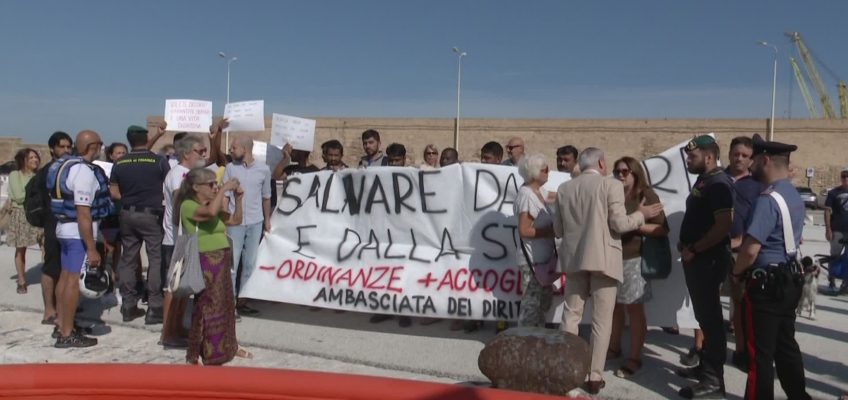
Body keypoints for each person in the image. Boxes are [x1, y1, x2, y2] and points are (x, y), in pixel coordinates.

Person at [553, 147, 661, 395]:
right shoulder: (610, 186)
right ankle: (594, 374)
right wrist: (641, 215)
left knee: (571, 316)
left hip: (574, 259)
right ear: (602, 163)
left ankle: (566, 367)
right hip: (603, 259)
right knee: (602, 321)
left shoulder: (564, 189)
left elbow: (558, 230)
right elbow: (620, 224)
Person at [731, 134, 811, 400]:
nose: (750, 165)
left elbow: (751, 249)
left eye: (753, 159)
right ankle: (799, 396)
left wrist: (737, 274)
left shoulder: (767, 200)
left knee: (759, 355)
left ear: (765, 160)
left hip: (766, 285)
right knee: (786, 346)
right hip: (789, 279)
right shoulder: (792, 195)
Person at [676, 135, 734, 399]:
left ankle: (713, 382)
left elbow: (723, 227)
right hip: (697, 259)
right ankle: (705, 369)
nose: (689, 160)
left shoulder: (719, 184)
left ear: (708, 157)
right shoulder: (706, 180)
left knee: (710, 320)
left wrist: (695, 248)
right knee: (704, 317)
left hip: (707, 261)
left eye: (693, 156)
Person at [175, 168, 252, 364]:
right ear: (195, 187)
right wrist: (225, 188)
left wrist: (239, 200)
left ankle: (229, 346)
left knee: (226, 305)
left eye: (215, 183)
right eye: (211, 184)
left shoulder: (213, 204)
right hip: (205, 260)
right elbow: (209, 213)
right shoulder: (188, 205)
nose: (215, 187)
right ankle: (196, 353)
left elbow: (235, 220)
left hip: (222, 259)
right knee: (206, 306)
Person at [607, 156, 668, 379]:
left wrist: (635, 223)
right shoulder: (612, 194)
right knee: (613, 307)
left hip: (634, 259)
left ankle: (634, 358)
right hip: (611, 258)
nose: (620, 174)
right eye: (617, 171)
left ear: (635, 173)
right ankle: (614, 348)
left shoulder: (646, 195)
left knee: (634, 309)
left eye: (625, 171)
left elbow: (663, 229)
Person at [50, 130, 113, 347]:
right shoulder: (84, 172)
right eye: (100, 145)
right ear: (92, 146)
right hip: (77, 235)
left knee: (66, 278)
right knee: (73, 283)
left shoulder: (63, 166)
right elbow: (83, 213)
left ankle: (62, 324)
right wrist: (91, 248)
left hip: (63, 230)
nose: (102, 148)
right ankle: (67, 334)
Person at [110, 122, 170, 325]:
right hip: (152, 215)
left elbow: (115, 193)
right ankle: (154, 307)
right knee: (155, 259)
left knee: (128, 259)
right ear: (146, 139)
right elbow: (169, 188)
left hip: (127, 214)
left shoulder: (120, 163)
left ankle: (128, 305)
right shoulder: (159, 161)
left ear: (129, 141)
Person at [160, 135, 211, 349]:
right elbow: (181, 204)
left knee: (182, 289)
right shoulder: (178, 175)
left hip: (186, 239)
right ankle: (168, 332)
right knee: (173, 289)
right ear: (186, 153)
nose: (204, 154)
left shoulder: (189, 174)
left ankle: (178, 327)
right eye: (200, 151)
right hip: (176, 239)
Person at [724, 136, 762, 372]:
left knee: (739, 304)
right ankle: (704, 347)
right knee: (705, 302)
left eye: (744, 156)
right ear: (729, 154)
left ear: (751, 160)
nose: (739, 158)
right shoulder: (716, 179)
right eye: (736, 153)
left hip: (739, 252)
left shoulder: (757, 185)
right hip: (712, 249)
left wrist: (743, 239)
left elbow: (759, 219)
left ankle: (739, 350)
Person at [224, 136, 272, 317]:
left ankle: (243, 301)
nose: (230, 150)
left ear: (245, 149)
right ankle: (229, 303)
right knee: (232, 264)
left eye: (233, 147)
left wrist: (267, 220)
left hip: (255, 222)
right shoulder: (230, 168)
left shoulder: (264, 169)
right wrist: (224, 218)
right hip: (234, 223)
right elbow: (225, 196)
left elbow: (266, 197)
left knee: (250, 264)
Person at [35, 132, 73, 325]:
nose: (66, 150)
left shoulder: (68, 168)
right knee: (51, 268)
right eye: (62, 147)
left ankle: (64, 305)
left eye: (68, 147)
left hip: (67, 225)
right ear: (52, 149)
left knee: (67, 269)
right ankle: (49, 310)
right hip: (52, 224)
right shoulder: (48, 171)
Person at [514, 154, 555, 327]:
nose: (549, 172)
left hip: (542, 260)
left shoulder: (538, 192)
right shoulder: (527, 196)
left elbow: (558, 196)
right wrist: (550, 232)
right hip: (532, 261)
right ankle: (525, 342)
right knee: (531, 305)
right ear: (535, 172)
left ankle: (535, 338)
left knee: (542, 302)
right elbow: (524, 230)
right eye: (545, 169)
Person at [7, 148, 43, 294]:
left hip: (39, 214)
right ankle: (21, 281)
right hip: (21, 214)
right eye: (31, 158)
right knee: (21, 248)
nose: (35, 160)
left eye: (36, 157)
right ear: (23, 160)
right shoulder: (15, 175)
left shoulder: (40, 175)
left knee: (47, 249)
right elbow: (19, 196)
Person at [101, 143, 128, 281]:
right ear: (111, 155)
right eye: (118, 153)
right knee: (110, 247)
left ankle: (114, 273)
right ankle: (107, 274)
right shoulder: (104, 170)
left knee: (119, 247)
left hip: (125, 213)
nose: (121, 155)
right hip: (110, 214)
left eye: (124, 153)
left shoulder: (130, 170)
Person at [824, 166, 848, 292]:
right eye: (844, 176)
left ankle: (846, 283)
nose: (846, 179)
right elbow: (827, 211)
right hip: (837, 228)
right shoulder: (834, 193)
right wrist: (828, 229)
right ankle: (832, 281)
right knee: (835, 256)